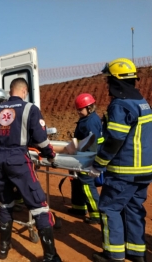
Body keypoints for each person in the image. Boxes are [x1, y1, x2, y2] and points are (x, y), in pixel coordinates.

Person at [0, 77, 62, 261]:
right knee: (39, 206)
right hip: (18, 160)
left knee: (5, 203)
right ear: (24, 91)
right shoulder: (30, 109)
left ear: (10, 90)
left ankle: (3, 248)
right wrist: (50, 154)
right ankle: (50, 256)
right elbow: (41, 139)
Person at [89, 58, 152, 262]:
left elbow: (115, 139)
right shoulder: (142, 103)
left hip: (124, 172)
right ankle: (136, 253)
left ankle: (113, 255)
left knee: (109, 209)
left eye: (109, 81)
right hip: (144, 171)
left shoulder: (120, 105)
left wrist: (98, 164)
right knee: (134, 209)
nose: (107, 85)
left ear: (116, 81)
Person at [67, 93, 104, 224]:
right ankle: (79, 207)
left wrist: (85, 160)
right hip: (81, 155)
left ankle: (96, 213)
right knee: (76, 180)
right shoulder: (87, 118)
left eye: (80, 109)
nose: (78, 112)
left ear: (89, 107)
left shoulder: (90, 122)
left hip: (87, 157)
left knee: (87, 183)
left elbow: (91, 144)